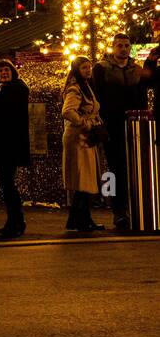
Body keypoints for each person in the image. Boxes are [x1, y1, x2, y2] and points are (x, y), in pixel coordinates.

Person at [91, 33, 141, 230]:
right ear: (113, 47)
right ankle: (117, 209)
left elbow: (142, 94)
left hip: (133, 125)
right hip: (111, 124)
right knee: (114, 168)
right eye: (119, 45)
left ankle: (131, 207)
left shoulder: (136, 70)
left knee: (131, 167)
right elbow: (98, 95)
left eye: (126, 45)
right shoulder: (102, 69)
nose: (123, 48)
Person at [0, 60, 30, 237]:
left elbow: (7, 112)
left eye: (7, 70)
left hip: (10, 144)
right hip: (3, 143)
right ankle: (13, 220)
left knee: (8, 183)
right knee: (6, 183)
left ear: (13, 71)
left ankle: (17, 221)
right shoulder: (0, 89)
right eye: (1, 70)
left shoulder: (17, 88)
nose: (4, 73)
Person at [63, 56, 105, 232]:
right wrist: (85, 122)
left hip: (87, 138)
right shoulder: (75, 89)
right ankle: (81, 220)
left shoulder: (87, 87)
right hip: (79, 139)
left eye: (89, 67)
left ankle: (79, 219)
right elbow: (67, 111)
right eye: (84, 68)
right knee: (83, 180)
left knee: (86, 180)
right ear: (76, 70)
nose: (88, 70)